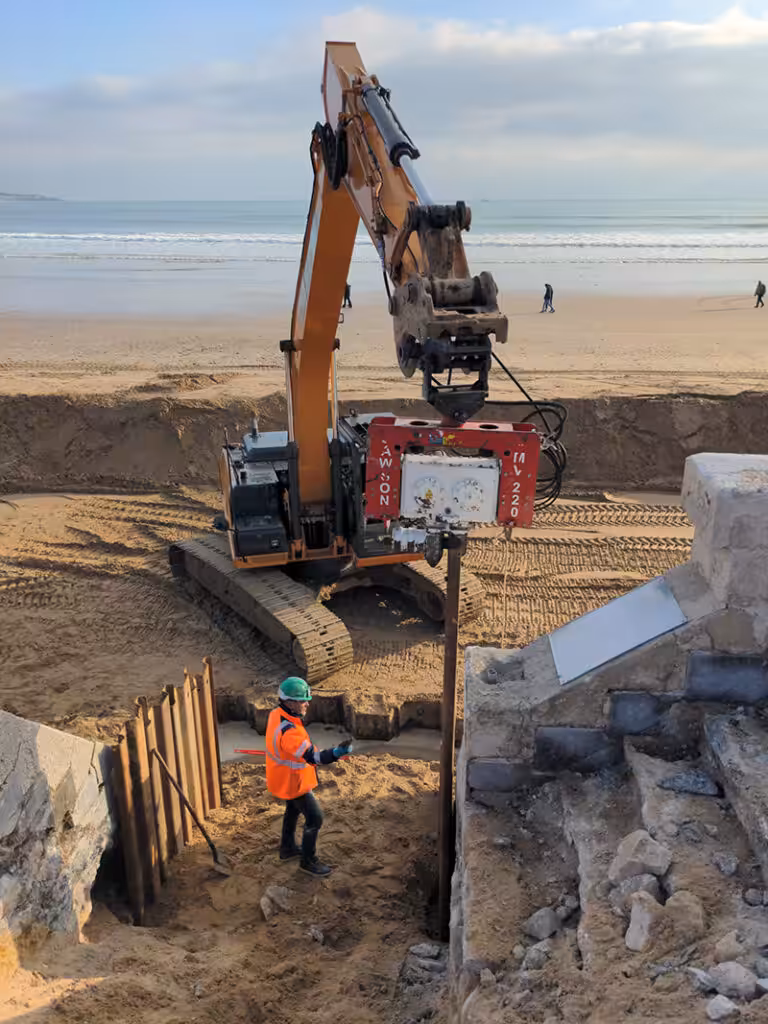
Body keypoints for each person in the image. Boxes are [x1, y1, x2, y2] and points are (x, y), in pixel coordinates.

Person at [265, 676, 353, 876]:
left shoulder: (275, 715)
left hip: (282, 776)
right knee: (315, 819)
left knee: (292, 811)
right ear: (289, 702)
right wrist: (338, 752)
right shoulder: (290, 733)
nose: (307, 703)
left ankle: (287, 849)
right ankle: (308, 861)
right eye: (303, 700)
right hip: (293, 782)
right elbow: (315, 758)